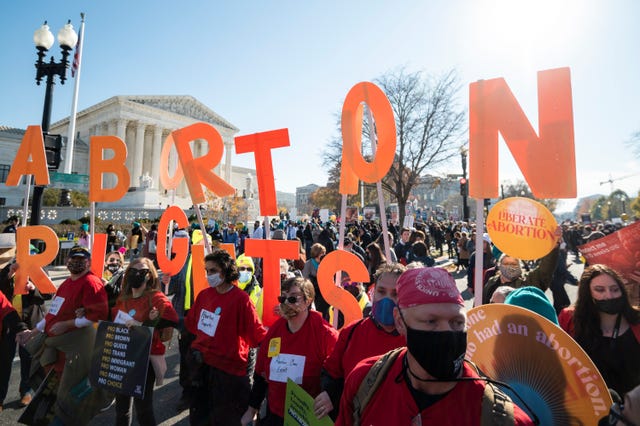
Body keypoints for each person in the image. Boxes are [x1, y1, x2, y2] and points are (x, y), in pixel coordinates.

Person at [335, 267, 534, 425]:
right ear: (400, 322)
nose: (446, 332)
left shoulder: (504, 419)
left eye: (457, 322)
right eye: (431, 321)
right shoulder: (364, 383)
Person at [17, 246, 110, 425]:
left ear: (89, 262)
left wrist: (68, 324)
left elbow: (98, 315)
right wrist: (34, 331)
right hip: (58, 351)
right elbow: (53, 313)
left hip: (74, 351)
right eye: (73, 259)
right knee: (56, 392)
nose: (76, 263)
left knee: (69, 395)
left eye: (81, 260)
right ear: (67, 262)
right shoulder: (67, 283)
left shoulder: (91, 282)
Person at [241, 277, 338, 425]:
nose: (286, 303)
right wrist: (251, 410)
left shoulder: (325, 335)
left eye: (292, 298)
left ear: (308, 301)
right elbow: (260, 376)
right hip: (276, 414)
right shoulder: (275, 331)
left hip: (307, 417)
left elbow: (338, 376)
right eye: (283, 298)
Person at [186, 249, 267, 425]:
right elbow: (192, 324)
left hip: (229, 374)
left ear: (225, 271)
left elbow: (257, 334)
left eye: (213, 271)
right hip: (203, 369)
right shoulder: (204, 295)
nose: (209, 275)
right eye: (207, 271)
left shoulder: (241, 299)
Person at [319, 263, 406, 419]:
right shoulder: (352, 332)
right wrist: (330, 395)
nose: (387, 299)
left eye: (395, 294)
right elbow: (332, 373)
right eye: (381, 291)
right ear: (373, 293)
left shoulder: (415, 339)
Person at [112, 257, 178, 426]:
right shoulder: (123, 298)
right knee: (121, 409)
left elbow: (173, 318)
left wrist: (146, 323)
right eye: (133, 271)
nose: (137, 275)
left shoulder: (155, 297)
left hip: (145, 360)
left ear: (150, 276)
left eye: (142, 271)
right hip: (122, 356)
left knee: (143, 409)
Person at [559, 264, 640, 396]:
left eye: (615, 289)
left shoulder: (636, 320)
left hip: (631, 409)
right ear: (588, 294)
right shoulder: (570, 319)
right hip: (588, 405)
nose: (609, 296)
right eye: (600, 290)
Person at [0, 249, 50, 408]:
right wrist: (9, 273)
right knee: (3, 360)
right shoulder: (8, 269)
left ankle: (26, 391)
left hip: (30, 322)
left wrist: (33, 287)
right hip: (8, 322)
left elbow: (48, 294)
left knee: (27, 359)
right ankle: (0, 397)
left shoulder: (39, 271)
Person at [482, 240, 559, 305]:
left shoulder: (529, 280)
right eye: (506, 264)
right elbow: (482, 303)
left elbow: (545, 270)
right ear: (500, 266)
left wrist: (553, 247)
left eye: (513, 264)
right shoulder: (492, 282)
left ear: (519, 266)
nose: (510, 267)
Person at [302, 243, 329, 318]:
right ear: (317, 254)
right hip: (314, 292)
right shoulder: (308, 264)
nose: (324, 255)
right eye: (322, 253)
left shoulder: (325, 263)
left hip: (323, 293)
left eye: (324, 253)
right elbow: (305, 279)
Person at [103, 250, 126, 319]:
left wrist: (108, 285)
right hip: (100, 310)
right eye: (112, 260)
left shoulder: (123, 275)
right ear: (105, 262)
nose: (115, 262)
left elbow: (120, 293)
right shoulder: (101, 274)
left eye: (118, 260)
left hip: (115, 312)